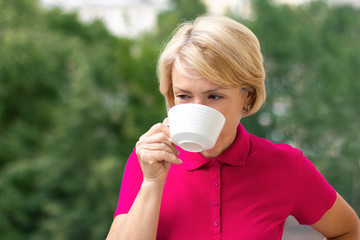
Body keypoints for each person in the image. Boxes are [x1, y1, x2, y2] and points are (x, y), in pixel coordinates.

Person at [107, 15, 360, 240]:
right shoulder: (149, 163)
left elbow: (348, 230)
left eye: (214, 96)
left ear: (247, 98)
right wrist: (152, 183)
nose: (198, 108)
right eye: (183, 96)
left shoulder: (285, 165)